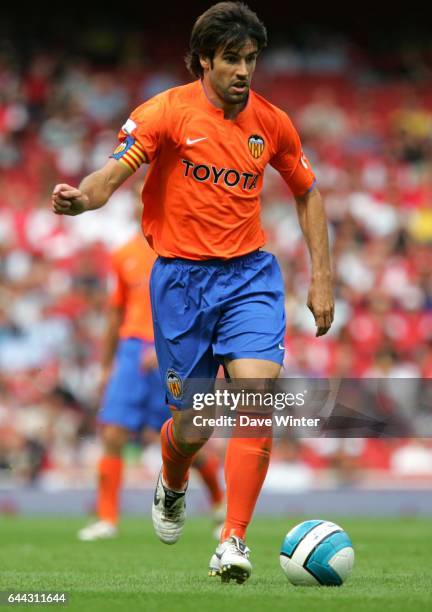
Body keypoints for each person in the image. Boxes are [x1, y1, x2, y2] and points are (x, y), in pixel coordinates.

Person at [52, 2, 333, 584]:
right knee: (193, 426)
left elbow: (307, 191)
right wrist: (84, 198)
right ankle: (173, 477)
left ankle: (232, 540)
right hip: (180, 283)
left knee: (257, 397)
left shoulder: (272, 122)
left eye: (251, 59)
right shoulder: (166, 112)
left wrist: (322, 277)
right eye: (232, 58)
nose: (243, 71)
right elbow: (114, 171)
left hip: (250, 276)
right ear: (205, 58)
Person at [78, 231, 224, 541]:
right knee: (113, 432)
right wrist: (107, 366)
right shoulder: (123, 254)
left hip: (171, 351)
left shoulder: (185, 248)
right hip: (131, 353)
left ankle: (219, 504)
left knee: (186, 439)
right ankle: (107, 518)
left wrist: (170, 348)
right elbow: (116, 313)